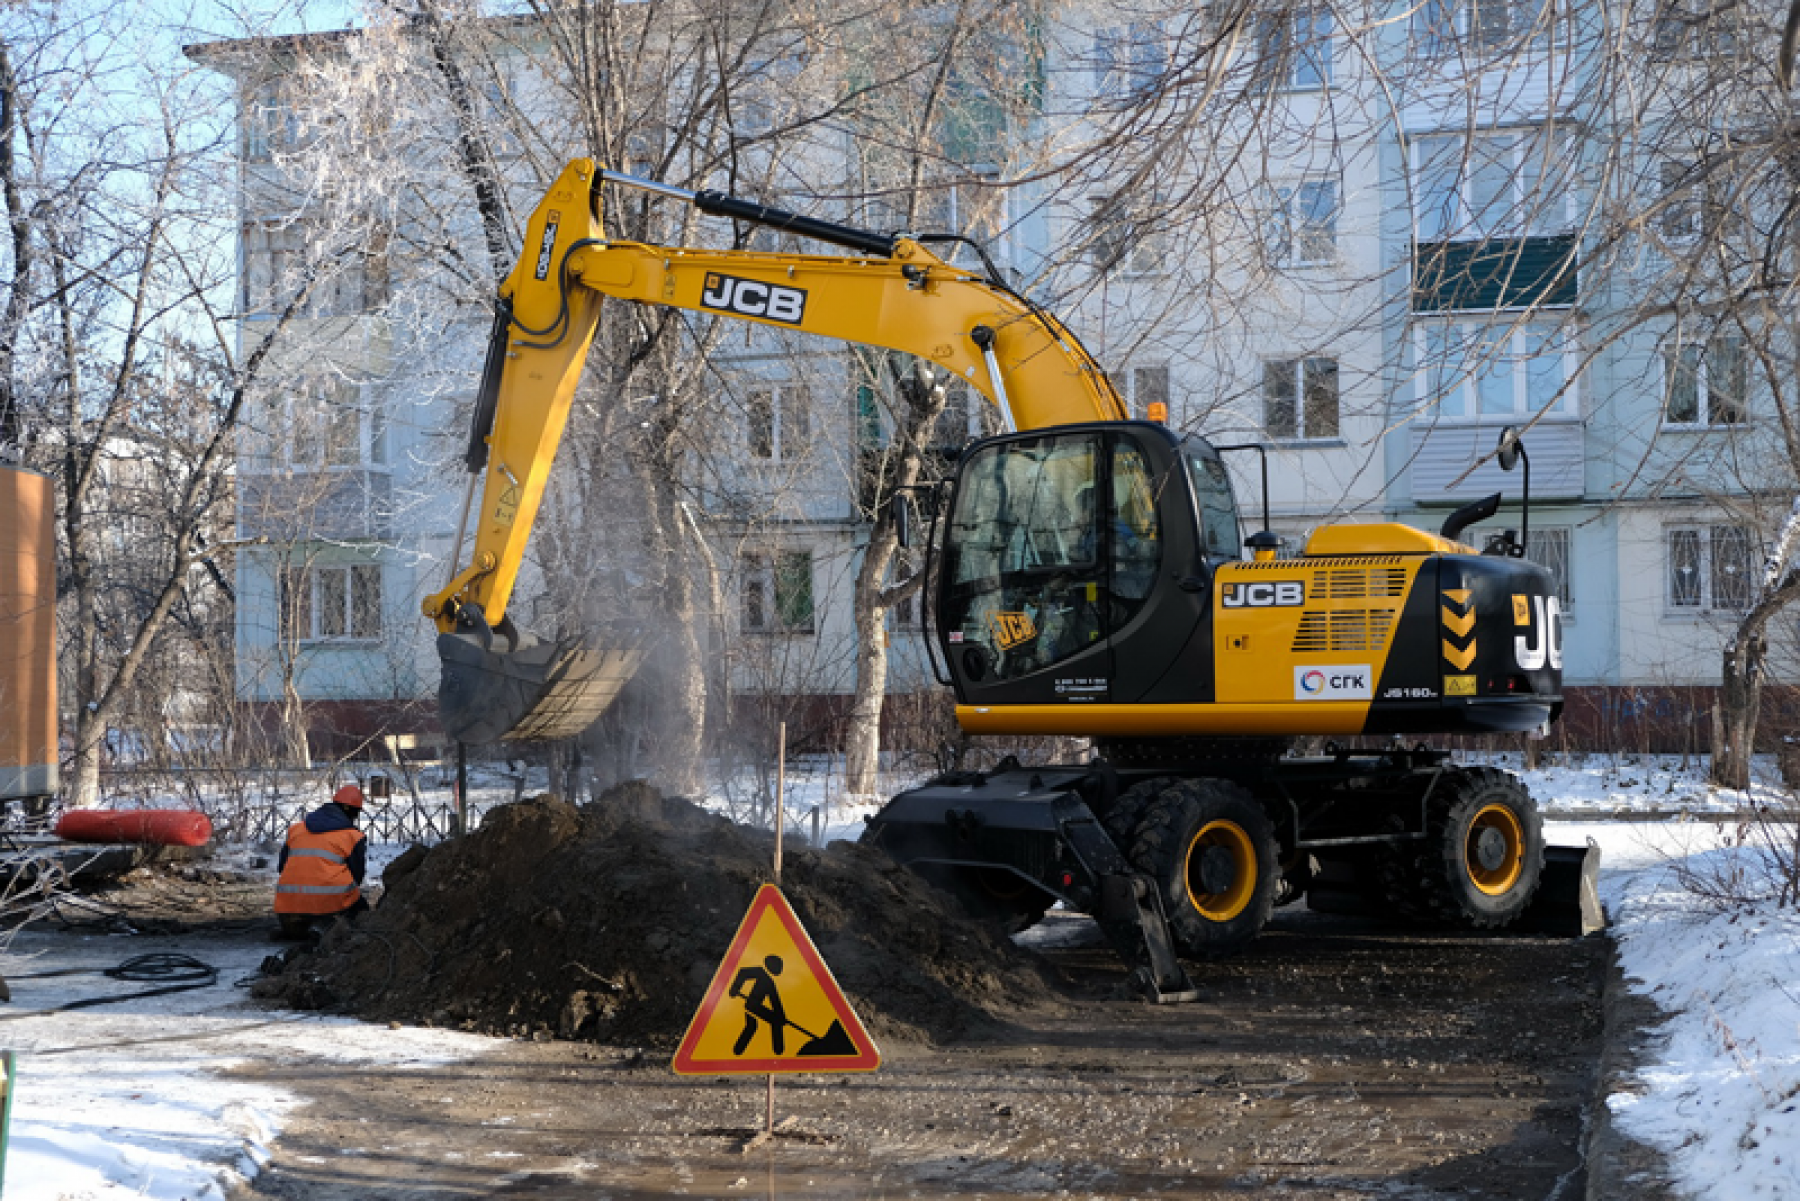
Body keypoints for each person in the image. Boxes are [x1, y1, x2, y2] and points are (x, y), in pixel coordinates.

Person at [274, 783, 370, 940]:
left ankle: (296, 928)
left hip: (288, 906)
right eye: (356, 813)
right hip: (331, 906)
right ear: (349, 809)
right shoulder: (352, 836)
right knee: (361, 911)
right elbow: (357, 875)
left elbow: (281, 867)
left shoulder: (296, 829)